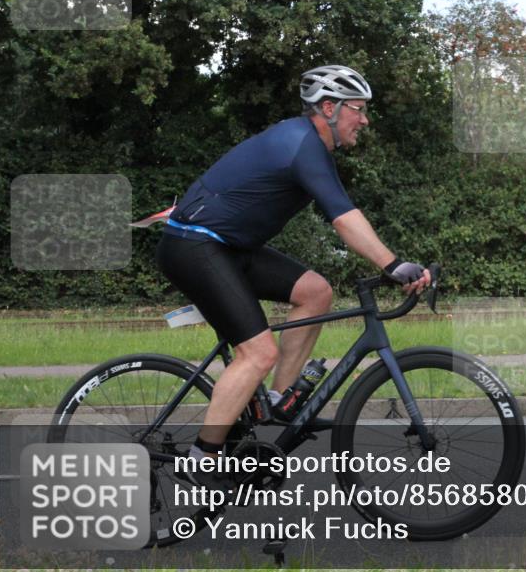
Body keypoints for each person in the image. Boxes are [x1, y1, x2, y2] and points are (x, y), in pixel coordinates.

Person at [155, 65, 430, 486]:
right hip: (195, 246)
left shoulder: (308, 146)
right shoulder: (302, 144)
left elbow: (342, 210)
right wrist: (393, 265)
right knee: (257, 353)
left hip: (228, 246)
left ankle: (278, 401)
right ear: (328, 108)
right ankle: (201, 460)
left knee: (316, 292)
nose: (365, 119)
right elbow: (343, 217)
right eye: (359, 109)